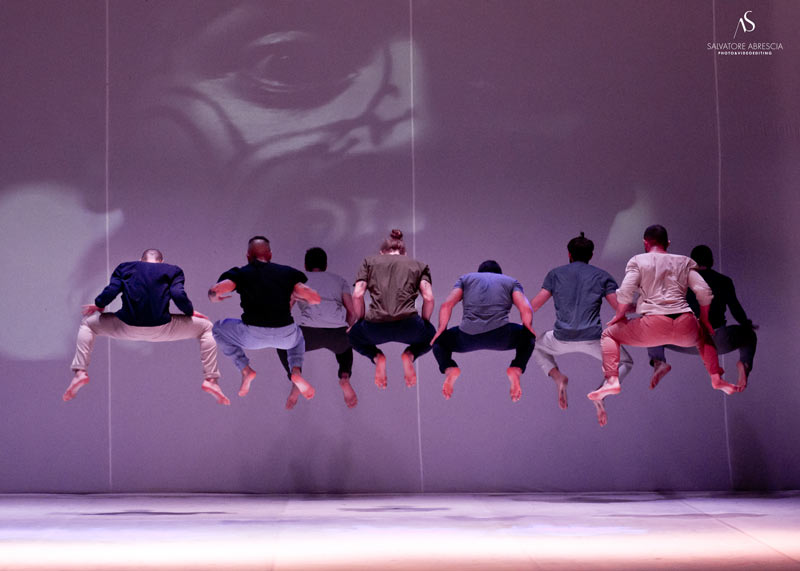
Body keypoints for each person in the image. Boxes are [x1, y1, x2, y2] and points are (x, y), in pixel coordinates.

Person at [588, 225, 742, 402]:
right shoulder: (684, 262)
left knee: (609, 335)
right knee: (704, 336)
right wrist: (705, 320)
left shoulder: (638, 261)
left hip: (653, 326)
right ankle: (716, 378)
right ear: (668, 243)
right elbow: (704, 292)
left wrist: (620, 314)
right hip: (685, 324)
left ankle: (612, 380)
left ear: (645, 243)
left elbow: (625, 292)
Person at [63, 248, 227, 404]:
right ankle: (211, 379)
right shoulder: (173, 271)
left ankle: (80, 372)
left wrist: (99, 305)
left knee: (88, 325)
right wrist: (190, 312)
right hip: (162, 328)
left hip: (125, 326)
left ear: (140, 260)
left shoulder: (125, 268)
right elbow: (178, 295)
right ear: (161, 261)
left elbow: (112, 290)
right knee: (206, 327)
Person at [529, 233, 633, 426]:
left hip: (561, 338)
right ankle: (602, 392)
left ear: (569, 254)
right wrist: (642, 306)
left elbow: (533, 306)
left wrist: (521, 317)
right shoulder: (602, 276)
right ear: (591, 255)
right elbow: (619, 308)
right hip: (593, 339)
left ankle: (558, 377)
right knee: (625, 362)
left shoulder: (555, 274)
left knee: (533, 345)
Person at [209, 236, 321, 402]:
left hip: (252, 336)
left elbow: (217, 290)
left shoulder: (241, 273)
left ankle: (245, 369)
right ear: (269, 255)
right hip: (285, 333)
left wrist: (214, 295)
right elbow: (314, 298)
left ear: (248, 256)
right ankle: (296, 371)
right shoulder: (287, 272)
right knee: (297, 338)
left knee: (218, 329)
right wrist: (302, 296)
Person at [647, 244, 757, 389]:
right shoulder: (724, 281)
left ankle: (658, 361)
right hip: (717, 340)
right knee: (749, 336)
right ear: (711, 261)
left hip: (687, 340)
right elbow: (736, 310)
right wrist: (746, 324)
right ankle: (745, 365)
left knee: (652, 330)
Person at [431, 260, 535, 402]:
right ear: (499, 274)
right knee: (528, 339)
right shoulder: (511, 282)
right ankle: (516, 368)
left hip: (467, 336)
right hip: (501, 336)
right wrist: (528, 328)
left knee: (439, 342)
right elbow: (526, 309)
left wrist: (441, 329)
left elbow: (446, 305)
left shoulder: (465, 279)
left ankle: (449, 369)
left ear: (479, 273)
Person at [348, 229, 435, 388]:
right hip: (409, 326)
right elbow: (429, 298)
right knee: (432, 336)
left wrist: (360, 321)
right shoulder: (420, 266)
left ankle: (377, 357)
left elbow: (357, 294)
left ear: (382, 252)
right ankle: (410, 355)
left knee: (352, 336)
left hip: (375, 327)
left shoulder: (369, 262)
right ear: (404, 253)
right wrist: (425, 324)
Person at [276, 247, 358, 409]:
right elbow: (352, 312)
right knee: (345, 348)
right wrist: (347, 330)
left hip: (308, 334)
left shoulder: (298, 281)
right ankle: (344, 376)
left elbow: (286, 310)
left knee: (282, 344)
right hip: (337, 335)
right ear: (325, 265)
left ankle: (295, 374)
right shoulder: (339, 280)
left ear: (306, 265)